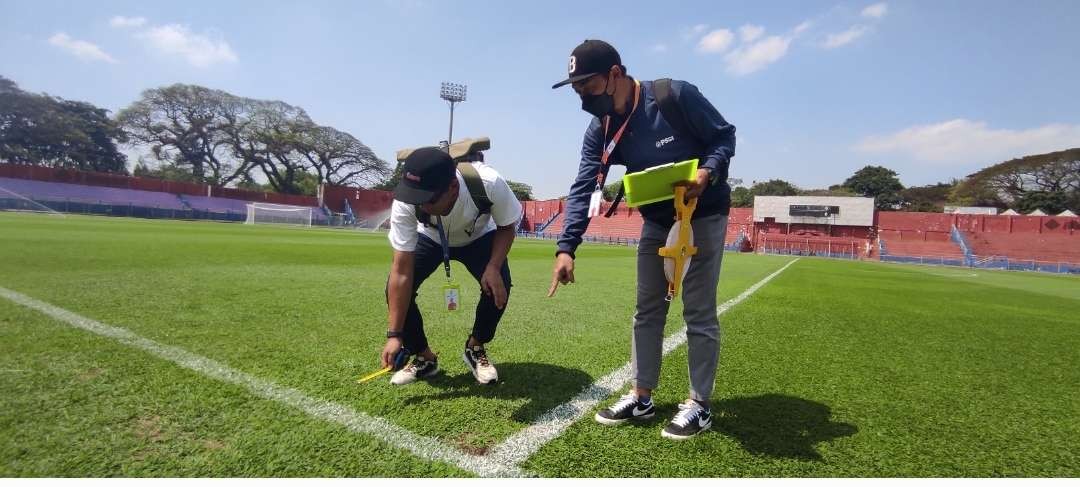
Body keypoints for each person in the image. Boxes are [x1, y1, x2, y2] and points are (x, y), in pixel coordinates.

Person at [548, 40, 736, 439]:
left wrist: (708, 172)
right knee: (647, 309)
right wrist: (566, 248)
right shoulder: (600, 128)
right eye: (576, 89)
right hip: (656, 218)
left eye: (587, 86)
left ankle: (699, 404)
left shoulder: (673, 96)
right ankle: (641, 396)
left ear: (615, 74)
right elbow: (583, 186)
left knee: (698, 311)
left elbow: (723, 137)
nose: (582, 97)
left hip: (703, 212)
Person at [382, 146, 521, 385]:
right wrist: (395, 335)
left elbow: (507, 226)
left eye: (429, 199)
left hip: (477, 236)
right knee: (395, 290)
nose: (422, 206)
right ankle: (424, 358)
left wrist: (494, 267)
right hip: (431, 236)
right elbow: (401, 272)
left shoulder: (488, 182)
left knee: (500, 287)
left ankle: (475, 346)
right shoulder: (406, 202)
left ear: (453, 189)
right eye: (417, 199)